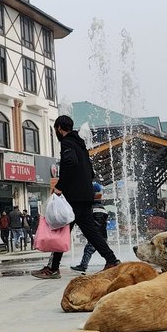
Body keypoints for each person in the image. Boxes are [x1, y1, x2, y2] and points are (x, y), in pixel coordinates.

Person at [33, 115, 123, 278]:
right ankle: (112, 260)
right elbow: (90, 170)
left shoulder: (67, 142)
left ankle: (52, 268)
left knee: (60, 228)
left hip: (74, 196)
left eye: (56, 130)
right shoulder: (80, 144)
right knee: (90, 231)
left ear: (60, 128)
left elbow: (70, 163)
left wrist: (60, 186)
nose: (56, 133)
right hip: (86, 195)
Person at [70, 182, 110, 273]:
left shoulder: (92, 209)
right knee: (103, 250)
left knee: (89, 250)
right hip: (103, 235)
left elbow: (94, 223)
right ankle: (111, 261)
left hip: (97, 235)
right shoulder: (103, 209)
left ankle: (83, 266)